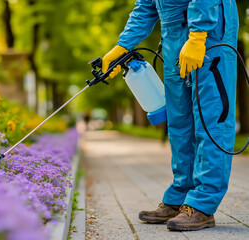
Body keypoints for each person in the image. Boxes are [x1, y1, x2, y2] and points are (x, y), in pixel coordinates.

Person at [102, 0, 239, 231]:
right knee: (180, 122)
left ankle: (203, 204)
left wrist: (198, 35)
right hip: (173, 33)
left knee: (210, 119)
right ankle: (181, 195)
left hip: (209, 30)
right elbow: (146, 5)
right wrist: (122, 46)